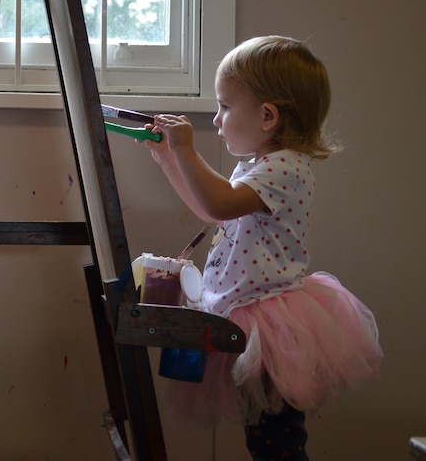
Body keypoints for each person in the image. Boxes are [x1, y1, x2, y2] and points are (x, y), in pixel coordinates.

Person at [139, 36, 382, 460]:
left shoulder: (286, 165)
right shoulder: (259, 164)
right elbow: (216, 212)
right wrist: (169, 161)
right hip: (247, 311)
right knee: (266, 438)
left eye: (225, 107)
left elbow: (220, 202)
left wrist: (185, 149)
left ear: (268, 116)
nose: (217, 120)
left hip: (270, 323)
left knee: (277, 441)